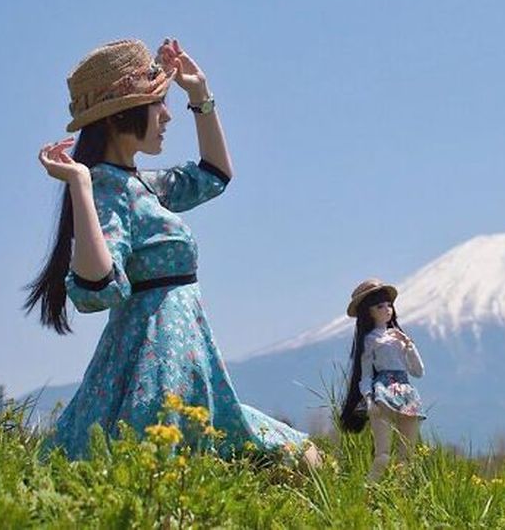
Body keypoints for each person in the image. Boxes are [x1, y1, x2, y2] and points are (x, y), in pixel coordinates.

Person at [27, 37, 313, 462]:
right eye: (157, 103)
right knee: (282, 460)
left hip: (186, 364)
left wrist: (200, 96)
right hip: (155, 369)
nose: (166, 115)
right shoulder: (107, 188)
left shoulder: (142, 185)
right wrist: (81, 185)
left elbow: (213, 175)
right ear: (120, 116)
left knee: (298, 458)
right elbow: (96, 287)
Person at [338, 278, 426, 481]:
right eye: (380, 306)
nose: (387, 309)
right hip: (383, 394)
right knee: (383, 456)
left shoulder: (399, 337)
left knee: (407, 456)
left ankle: (401, 496)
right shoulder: (370, 341)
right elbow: (366, 374)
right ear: (369, 311)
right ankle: (367, 492)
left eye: (389, 305)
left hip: (407, 393)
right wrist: (369, 400)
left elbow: (418, 371)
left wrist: (409, 347)